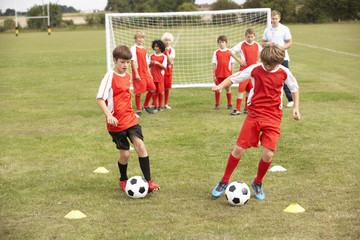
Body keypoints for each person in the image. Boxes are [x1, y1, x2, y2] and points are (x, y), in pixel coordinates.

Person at [211, 43, 300, 200]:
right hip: (254, 114)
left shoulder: (284, 72)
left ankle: (258, 182)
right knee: (238, 150)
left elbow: (294, 88)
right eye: (266, 64)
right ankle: (224, 180)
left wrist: (296, 108)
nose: (268, 67)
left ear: (279, 63)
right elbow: (234, 78)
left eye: (272, 65)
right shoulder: (255, 69)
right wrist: (220, 86)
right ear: (263, 60)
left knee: (268, 154)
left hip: (273, 117)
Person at [96, 45, 160, 193]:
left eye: (128, 62)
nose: (125, 65)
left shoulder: (128, 76)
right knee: (125, 154)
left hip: (130, 117)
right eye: (122, 62)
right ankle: (123, 179)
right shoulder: (109, 77)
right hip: (116, 122)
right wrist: (109, 115)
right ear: (114, 60)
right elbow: (100, 99)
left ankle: (149, 181)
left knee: (140, 146)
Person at [262, 10, 294, 108]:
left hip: (282, 57)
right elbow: (263, 43)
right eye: (273, 18)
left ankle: (291, 99)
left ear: (279, 18)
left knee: (285, 78)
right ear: (270, 18)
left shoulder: (285, 29)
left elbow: (289, 43)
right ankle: (271, 100)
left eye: (276, 19)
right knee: (270, 79)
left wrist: (280, 48)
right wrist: (268, 43)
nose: (274, 20)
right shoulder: (267, 30)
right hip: (270, 58)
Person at [229, 28, 262, 115]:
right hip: (244, 70)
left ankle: (247, 108)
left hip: (253, 71)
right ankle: (237, 109)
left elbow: (263, 53)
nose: (250, 38)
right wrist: (239, 60)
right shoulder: (241, 44)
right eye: (248, 37)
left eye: (251, 37)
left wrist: (258, 62)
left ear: (254, 36)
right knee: (241, 90)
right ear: (245, 36)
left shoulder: (257, 45)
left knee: (250, 90)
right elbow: (231, 52)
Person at [130, 30, 156, 116]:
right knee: (138, 91)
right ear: (135, 39)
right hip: (139, 72)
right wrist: (136, 73)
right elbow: (133, 61)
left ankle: (145, 105)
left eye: (142, 38)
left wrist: (150, 73)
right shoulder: (133, 48)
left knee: (152, 88)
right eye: (139, 38)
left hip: (146, 72)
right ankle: (138, 110)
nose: (141, 40)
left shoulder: (144, 49)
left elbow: (146, 61)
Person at [212, 35, 235, 110]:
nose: (221, 44)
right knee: (218, 89)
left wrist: (232, 74)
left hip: (227, 74)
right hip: (218, 74)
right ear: (218, 43)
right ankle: (217, 104)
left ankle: (229, 104)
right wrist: (214, 75)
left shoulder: (229, 52)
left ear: (226, 43)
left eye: (223, 42)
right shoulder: (216, 52)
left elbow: (232, 64)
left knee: (228, 89)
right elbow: (214, 64)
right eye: (220, 42)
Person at [148, 40, 167, 112]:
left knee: (161, 91)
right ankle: (155, 106)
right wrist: (151, 63)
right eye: (154, 46)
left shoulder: (163, 56)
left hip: (160, 76)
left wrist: (157, 63)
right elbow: (148, 66)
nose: (156, 48)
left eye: (157, 46)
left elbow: (164, 67)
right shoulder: (151, 56)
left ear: (160, 47)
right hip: (152, 76)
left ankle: (160, 106)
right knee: (154, 91)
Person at [162, 32, 176, 110]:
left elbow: (170, 61)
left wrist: (167, 52)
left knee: (167, 88)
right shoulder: (160, 49)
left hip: (168, 71)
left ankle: (166, 103)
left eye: (169, 40)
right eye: (166, 40)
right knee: (159, 88)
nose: (167, 42)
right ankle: (156, 103)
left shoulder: (172, 50)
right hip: (161, 71)